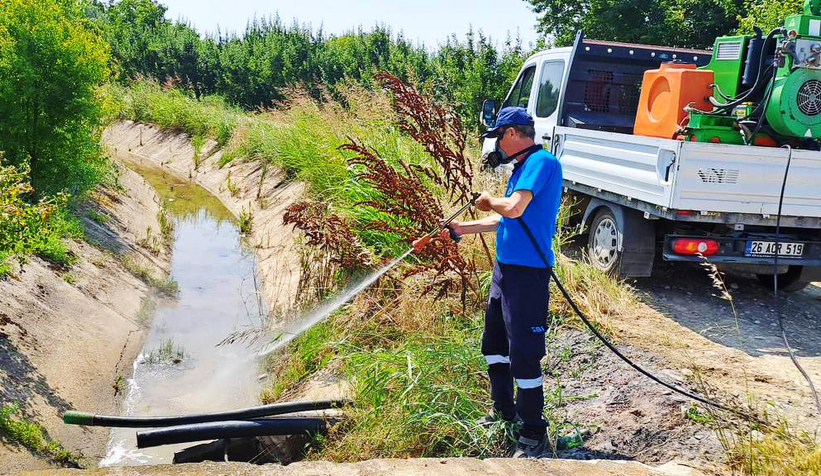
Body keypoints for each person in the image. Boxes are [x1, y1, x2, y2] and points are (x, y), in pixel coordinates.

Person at [445, 107, 563, 457]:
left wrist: (486, 201)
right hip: (504, 272)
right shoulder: (520, 169)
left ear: (512, 133)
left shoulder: (542, 163)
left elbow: (512, 208)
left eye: (498, 135)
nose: (495, 143)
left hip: (528, 276)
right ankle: (503, 411)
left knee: (524, 354)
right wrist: (463, 228)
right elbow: (506, 219)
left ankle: (532, 431)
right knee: (494, 346)